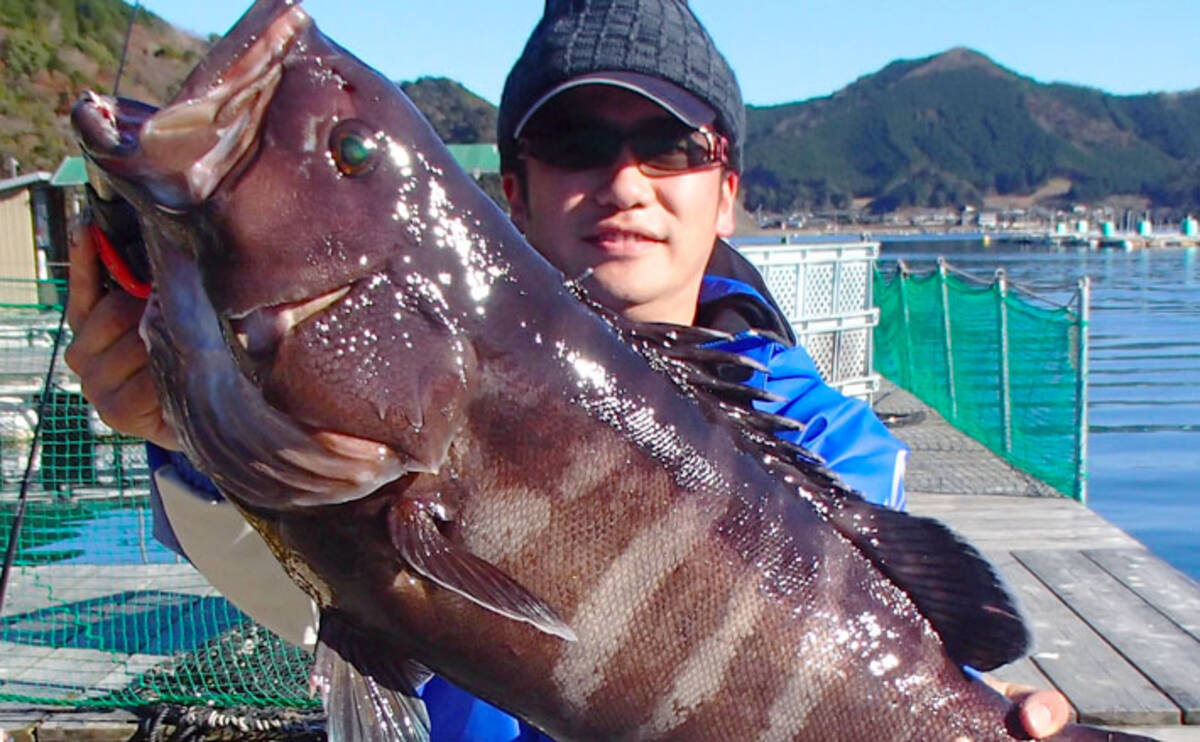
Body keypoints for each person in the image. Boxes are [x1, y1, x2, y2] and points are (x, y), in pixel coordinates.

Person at [65, 0, 1071, 739]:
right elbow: (301, 593)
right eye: (575, 140)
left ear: (727, 192)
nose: (624, 180)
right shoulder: (362, 444)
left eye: (671, 143)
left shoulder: (833, 444)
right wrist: (181, 428)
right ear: (512, 190)